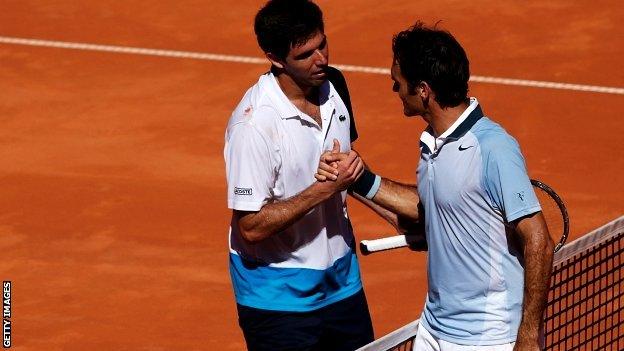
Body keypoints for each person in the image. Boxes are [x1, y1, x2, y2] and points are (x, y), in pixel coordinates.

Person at [317, 22, 554, 351]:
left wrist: (528, 336)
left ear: (423, 90)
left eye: (398, 83)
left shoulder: (493, 148)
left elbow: (539, 242)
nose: (394, 89)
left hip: (486, 338)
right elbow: (431, 209)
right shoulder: (432, 145)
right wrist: (356, 178)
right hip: (433, 328)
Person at [223, 0, 375, 350]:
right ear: (276, 58)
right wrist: (323, 190)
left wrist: (399, 214)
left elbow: (347, 173)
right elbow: (251, 226)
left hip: (342, 283)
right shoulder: (254, 126)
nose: (321, 59)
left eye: (322, 44)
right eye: (306, 54)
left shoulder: (335, 85)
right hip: (278, 301)